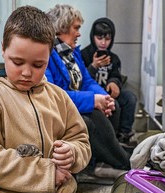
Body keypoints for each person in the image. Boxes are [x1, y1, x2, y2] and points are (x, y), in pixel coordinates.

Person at [0, 6, 92, 193]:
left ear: (49, 58)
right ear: (3, 50)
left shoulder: (59, 97)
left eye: (38, 64)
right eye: (17, 62)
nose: (26, 72)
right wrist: (46, 173)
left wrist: (73, 153)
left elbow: (81, 140)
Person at [45, 4, 131, 177]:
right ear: (62, 27)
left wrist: (103, 97)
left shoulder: (72, 53)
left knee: (114, 107)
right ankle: (124, 162)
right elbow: (55, 95)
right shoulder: (47, 54)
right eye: (76, 28)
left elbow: (87, 80)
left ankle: (103, 157)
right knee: (92, 118)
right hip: (61, 109)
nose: (79, 33)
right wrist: (93, 100)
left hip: (74, 102)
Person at [81, 17, 137, 146]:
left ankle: (123, 135)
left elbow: (116, 75)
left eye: (107, 39)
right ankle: (111, 140)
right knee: (113, 104)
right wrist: (94, 66)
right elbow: (81, 80)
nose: (103, 43)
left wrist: (114, 82)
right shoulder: (84, 55)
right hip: (91, 95)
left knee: (130, 98)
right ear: (92, 36)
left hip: (108, 93)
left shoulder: (114, 58)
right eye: (99, 38)